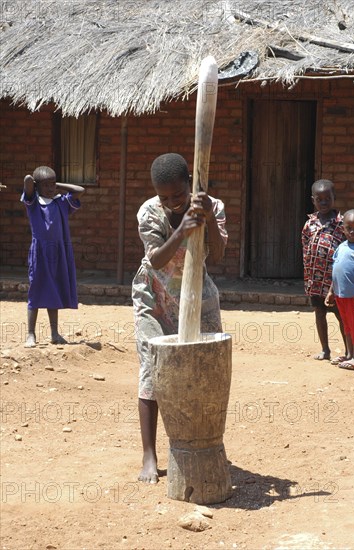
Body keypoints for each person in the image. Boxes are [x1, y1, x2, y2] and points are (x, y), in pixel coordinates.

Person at [132, 153, 228, 484]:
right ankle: (149, 454)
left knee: (206, 368)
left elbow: (217, 254)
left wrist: (208, 220)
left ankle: (205, 444)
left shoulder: (212, 206)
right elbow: (156, 261)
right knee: (152, 371)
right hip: (154, 296)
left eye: (178, 195)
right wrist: (183, 228)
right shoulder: (149, 212)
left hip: (196, 292)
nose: (172, 202)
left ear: (191, 184)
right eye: (165, 197)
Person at [21, 166, 85, 347]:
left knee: (54, 290)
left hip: (59, 252)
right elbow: (27, 181)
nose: (51, 188)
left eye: (53, 184)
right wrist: (33, 183)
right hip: (40, 253)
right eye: (46, 185)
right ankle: (31, 334)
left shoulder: (61, 202)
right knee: (36, 290)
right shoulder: (33, 202)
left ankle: (55, 334)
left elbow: (80, 191)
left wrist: (58, 185)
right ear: (37, 186)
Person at [301, 179, 348, 362]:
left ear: (334, 198)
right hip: (315, 280)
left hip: (335, 281)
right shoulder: (309, 224)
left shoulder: (342, 224)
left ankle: (349, 351)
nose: (323, 202)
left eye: (327, 198)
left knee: (341, 315)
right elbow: (305, 250)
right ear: (313, 200)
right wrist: (308, 278)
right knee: (319, 313)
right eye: (319, 199)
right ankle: (325, 350)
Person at [325, 209, 354, 371]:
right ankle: (349, 355)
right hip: (341, 296)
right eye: (349, 228)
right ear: (343, 228)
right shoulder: (341, 247)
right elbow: (336, 271)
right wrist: (330, 291)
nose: (353, 231)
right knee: (347, 326)